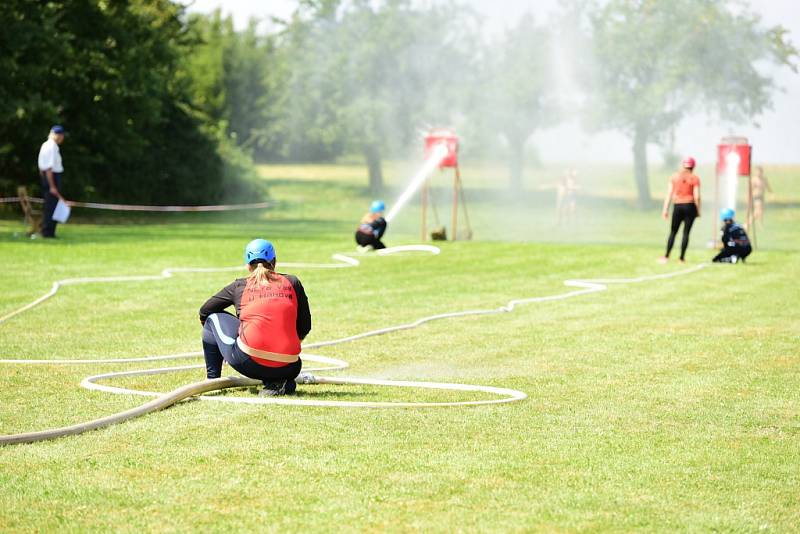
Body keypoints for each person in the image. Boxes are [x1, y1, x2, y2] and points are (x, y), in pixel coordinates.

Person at [199, 239, 311, 396]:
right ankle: (278, 381)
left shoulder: (239, 286)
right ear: (274, 262)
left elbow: (205, 311)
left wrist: (222, 346)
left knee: (212, 318)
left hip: (249, 364)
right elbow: (305, 326)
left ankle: (213, 380)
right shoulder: (293, 282)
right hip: (291, 366)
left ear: (248, 265)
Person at [659, 156, 701, 263]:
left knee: (673, 232)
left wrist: (665, 210)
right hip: (690, 206)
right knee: (686, 233)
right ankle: (681, 258)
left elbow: (669, 194)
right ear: (693, 166)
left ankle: (666, 256)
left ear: (683, 165)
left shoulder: (674, 177)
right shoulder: (695, 178)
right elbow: (697, 196)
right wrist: (698, 210)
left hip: (677, 206)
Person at [37, 125, 68, 238]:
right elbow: (49, 168)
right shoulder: (51, 147)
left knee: (51, 206)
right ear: (58, 135)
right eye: (62, 135)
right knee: (51, 207)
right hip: (52, 178)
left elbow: (41, 169)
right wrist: (52, 186)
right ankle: (48, 232)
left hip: (48, 177)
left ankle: (49, 231)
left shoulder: (46, 145)